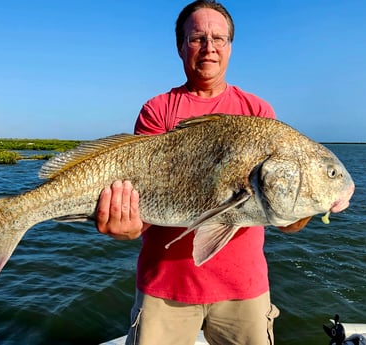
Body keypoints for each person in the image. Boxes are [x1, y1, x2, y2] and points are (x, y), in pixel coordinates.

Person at [96, 1, 279, 344]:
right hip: (165, 288)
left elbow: (282, 213)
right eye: (197, 38)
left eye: (219, 39)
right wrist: (127, 225)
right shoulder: (158, 110)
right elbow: (146, 199)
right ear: (180, 46)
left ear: (230, 46)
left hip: (244, 289)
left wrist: (302, 210)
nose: (209, 48)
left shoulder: (258, 111)